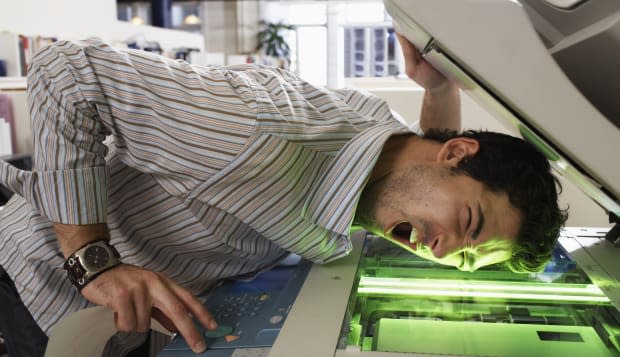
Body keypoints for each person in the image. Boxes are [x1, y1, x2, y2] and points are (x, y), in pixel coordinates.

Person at [0, 33, 566, 356]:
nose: (441, 253)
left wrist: (439, 88)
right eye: (467, 226)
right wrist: (92, 260)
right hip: (39, 287)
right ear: (458, 154)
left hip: (133, 316)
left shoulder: (387, 144)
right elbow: (64, 72)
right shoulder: (253, 134)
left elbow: (427, 156)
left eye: (463, 259)